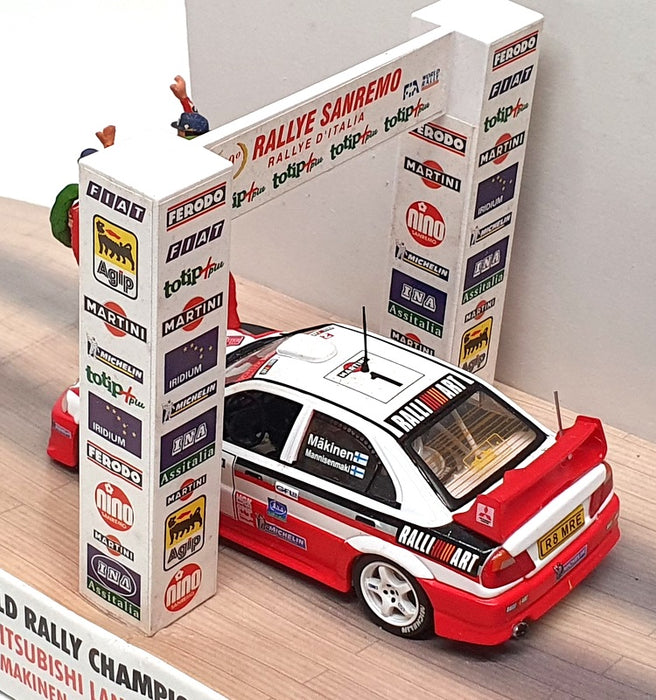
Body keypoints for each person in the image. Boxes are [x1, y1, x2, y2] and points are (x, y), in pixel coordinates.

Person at [50, 77, 241, 329]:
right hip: (188, 234)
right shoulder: (205, 152)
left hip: (164, 239)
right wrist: (184, 99)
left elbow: (64, 225)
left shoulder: (78, 196)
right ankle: (229, 326)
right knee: (214, 279)